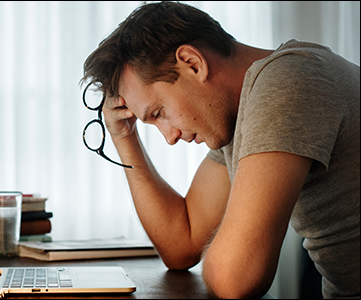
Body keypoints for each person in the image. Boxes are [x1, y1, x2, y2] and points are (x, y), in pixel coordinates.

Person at [81, 2, 359, 298]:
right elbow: (182, 246)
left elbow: (235, 279)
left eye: (160, 112)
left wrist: (229, 253)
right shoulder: (239, 115)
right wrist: (123, 135)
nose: (170, 137)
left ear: (192, 63)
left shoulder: (289, 80)